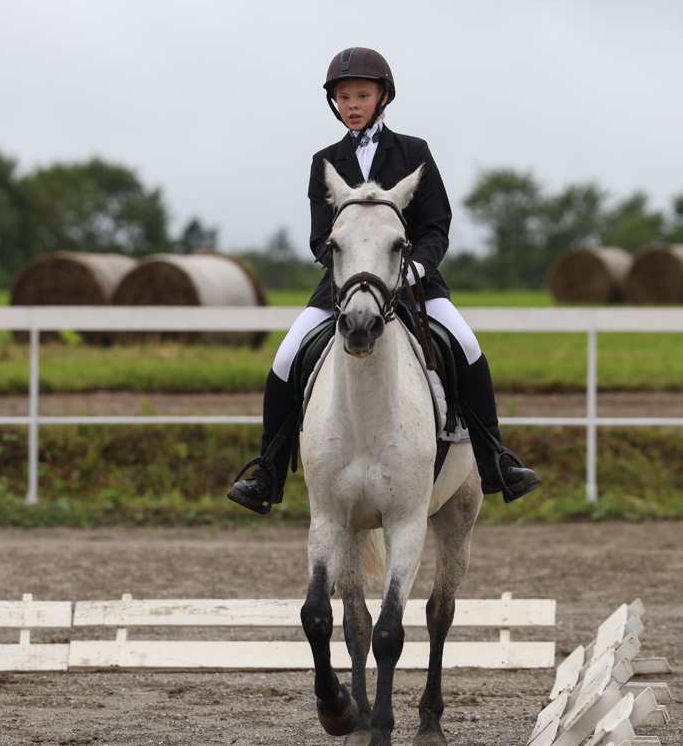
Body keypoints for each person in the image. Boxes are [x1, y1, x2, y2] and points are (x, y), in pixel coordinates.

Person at [228, 46, 540, 514]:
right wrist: (346, 270)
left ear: (383, 97)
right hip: (346, 287)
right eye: (343, 97)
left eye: (361, 95)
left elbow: (436, 226)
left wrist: (417, 268)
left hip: (414, 282)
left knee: (468, 346)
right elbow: (319, 237)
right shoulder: (325, 160)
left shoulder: (415, 152)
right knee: (285, 357)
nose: (351, 105)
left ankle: (497, 459)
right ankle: (268, 472)